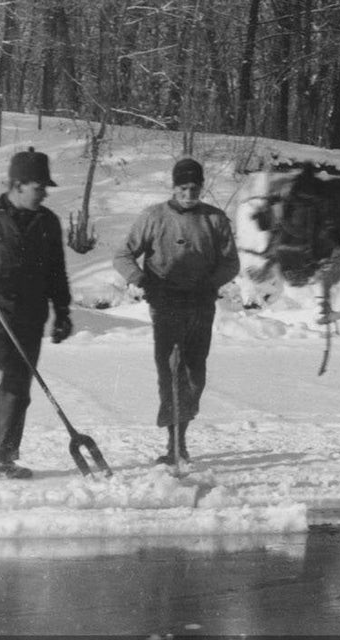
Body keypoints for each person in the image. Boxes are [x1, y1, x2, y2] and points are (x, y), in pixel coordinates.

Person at [114, 158, 239, 465]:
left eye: (194, 188)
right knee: (170, 371)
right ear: (173, 187)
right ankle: (175, 444)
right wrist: (142, 281)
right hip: (165, 303)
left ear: (202, 187)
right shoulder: (154, 217)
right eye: (183, 188)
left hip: (199, 305)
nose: (188, 194)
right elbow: (123, 255)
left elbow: (230, 262)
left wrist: (211, 284)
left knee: (194, 373)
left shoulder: (215, 219)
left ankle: (182, 431)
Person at [0, 148, 73, 479]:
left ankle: (3, 455)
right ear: (17, 184)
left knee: (17, 387)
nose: (43, 193)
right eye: (38, 187)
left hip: (31, 312)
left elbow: (57, 271)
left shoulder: (48, 222)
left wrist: (63, 311)